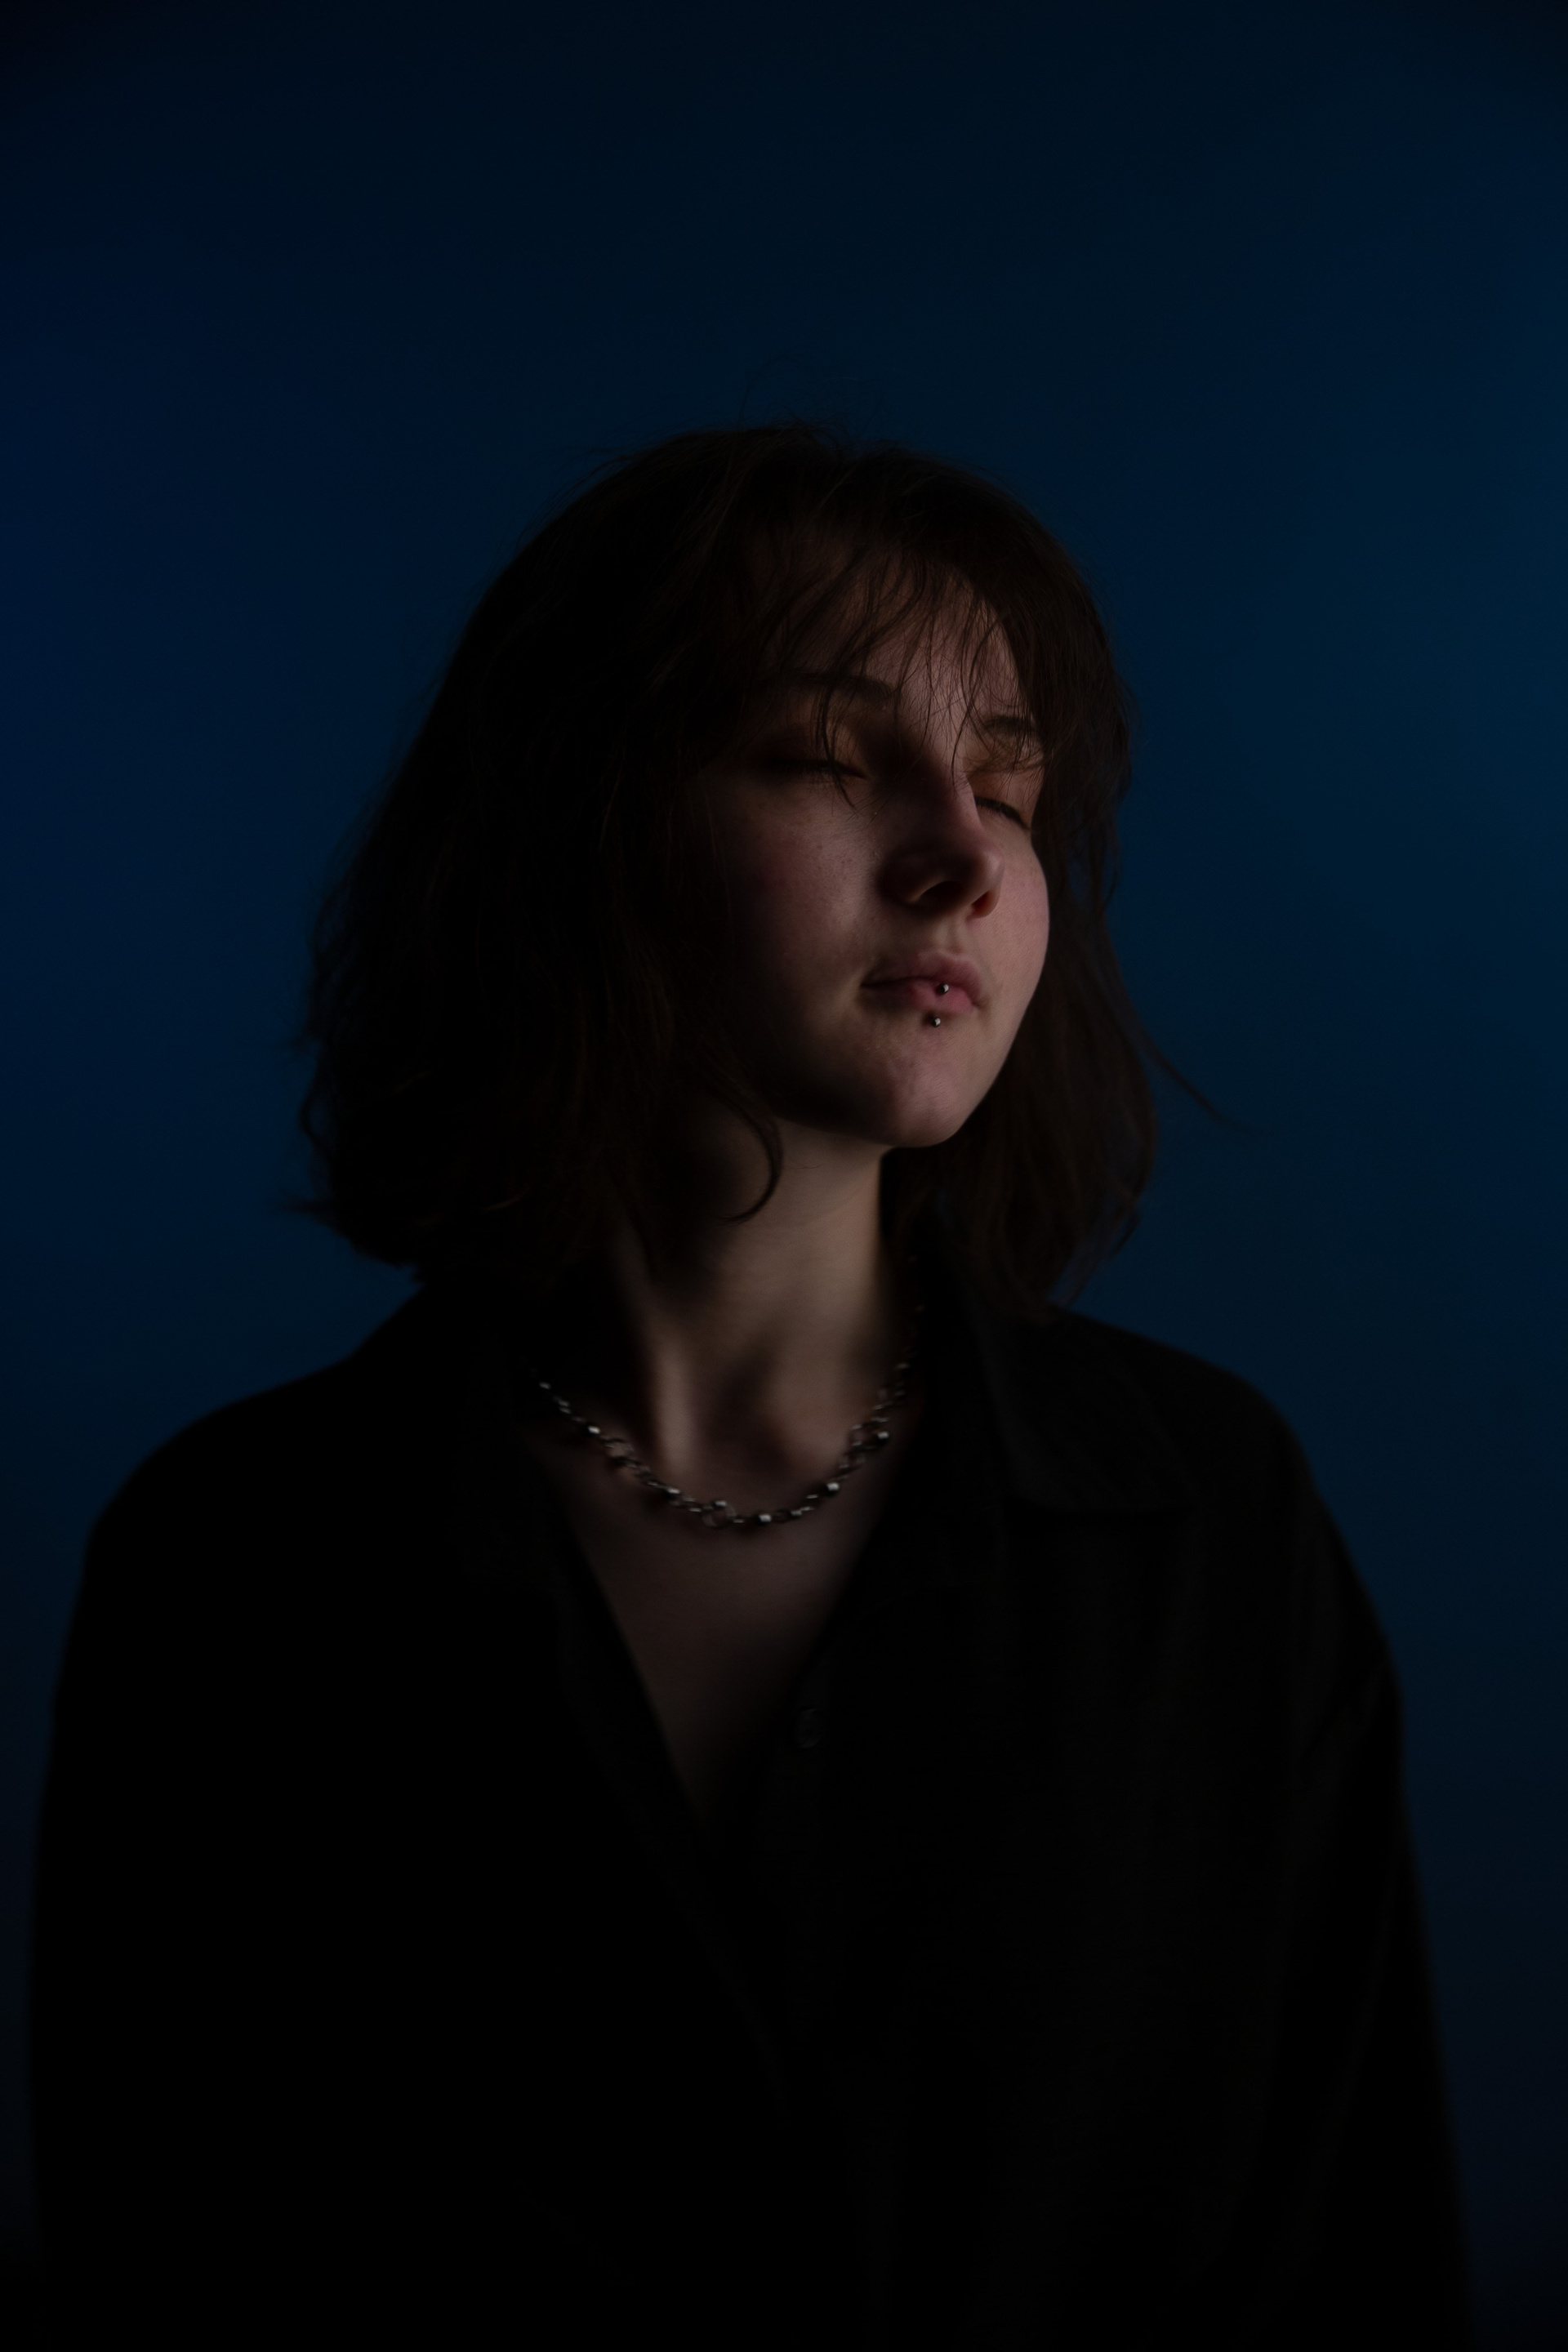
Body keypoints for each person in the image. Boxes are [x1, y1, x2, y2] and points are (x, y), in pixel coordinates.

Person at [30, 423, 1472, 2349]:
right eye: (824, 759)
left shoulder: (1213, 1521)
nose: (965, 857)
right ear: (580, 829)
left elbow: (1360, 2254)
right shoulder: (235, 1562)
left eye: (1010, 786)